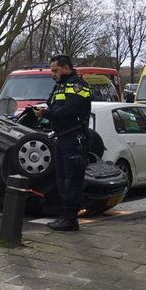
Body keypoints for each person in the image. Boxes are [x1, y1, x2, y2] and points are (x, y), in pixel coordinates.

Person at [32, 54, 92, 232]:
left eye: (55, 70)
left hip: (73, 138)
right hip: (62, 137)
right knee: (62, 179)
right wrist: (42, 111)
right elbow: (53, 106)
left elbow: (70, 111)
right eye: (51, 70)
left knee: (72, 180)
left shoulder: (77, 86)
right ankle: (65, 216)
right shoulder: (60, 86)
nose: (53, 74)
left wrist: (46, 114)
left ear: (66, 68)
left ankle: (71, 218)